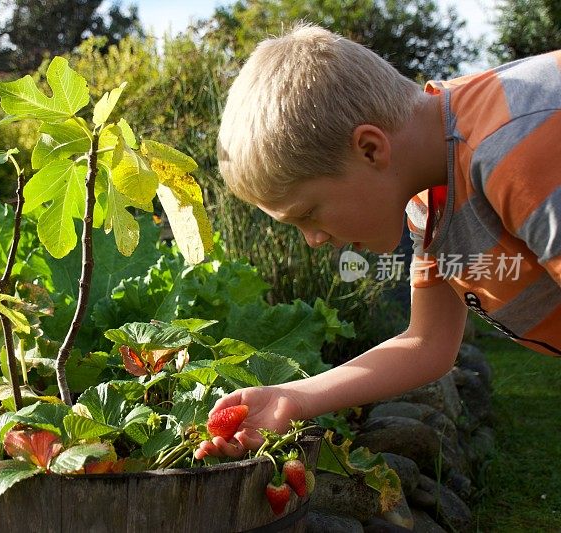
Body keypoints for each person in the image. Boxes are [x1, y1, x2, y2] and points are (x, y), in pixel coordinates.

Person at [195, 23, 561, 460]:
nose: (312, 240)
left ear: (370, 149)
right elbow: (427, 344)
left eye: (308, 213)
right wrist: (291, 398)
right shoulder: (430, 196)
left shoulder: (516, 145)